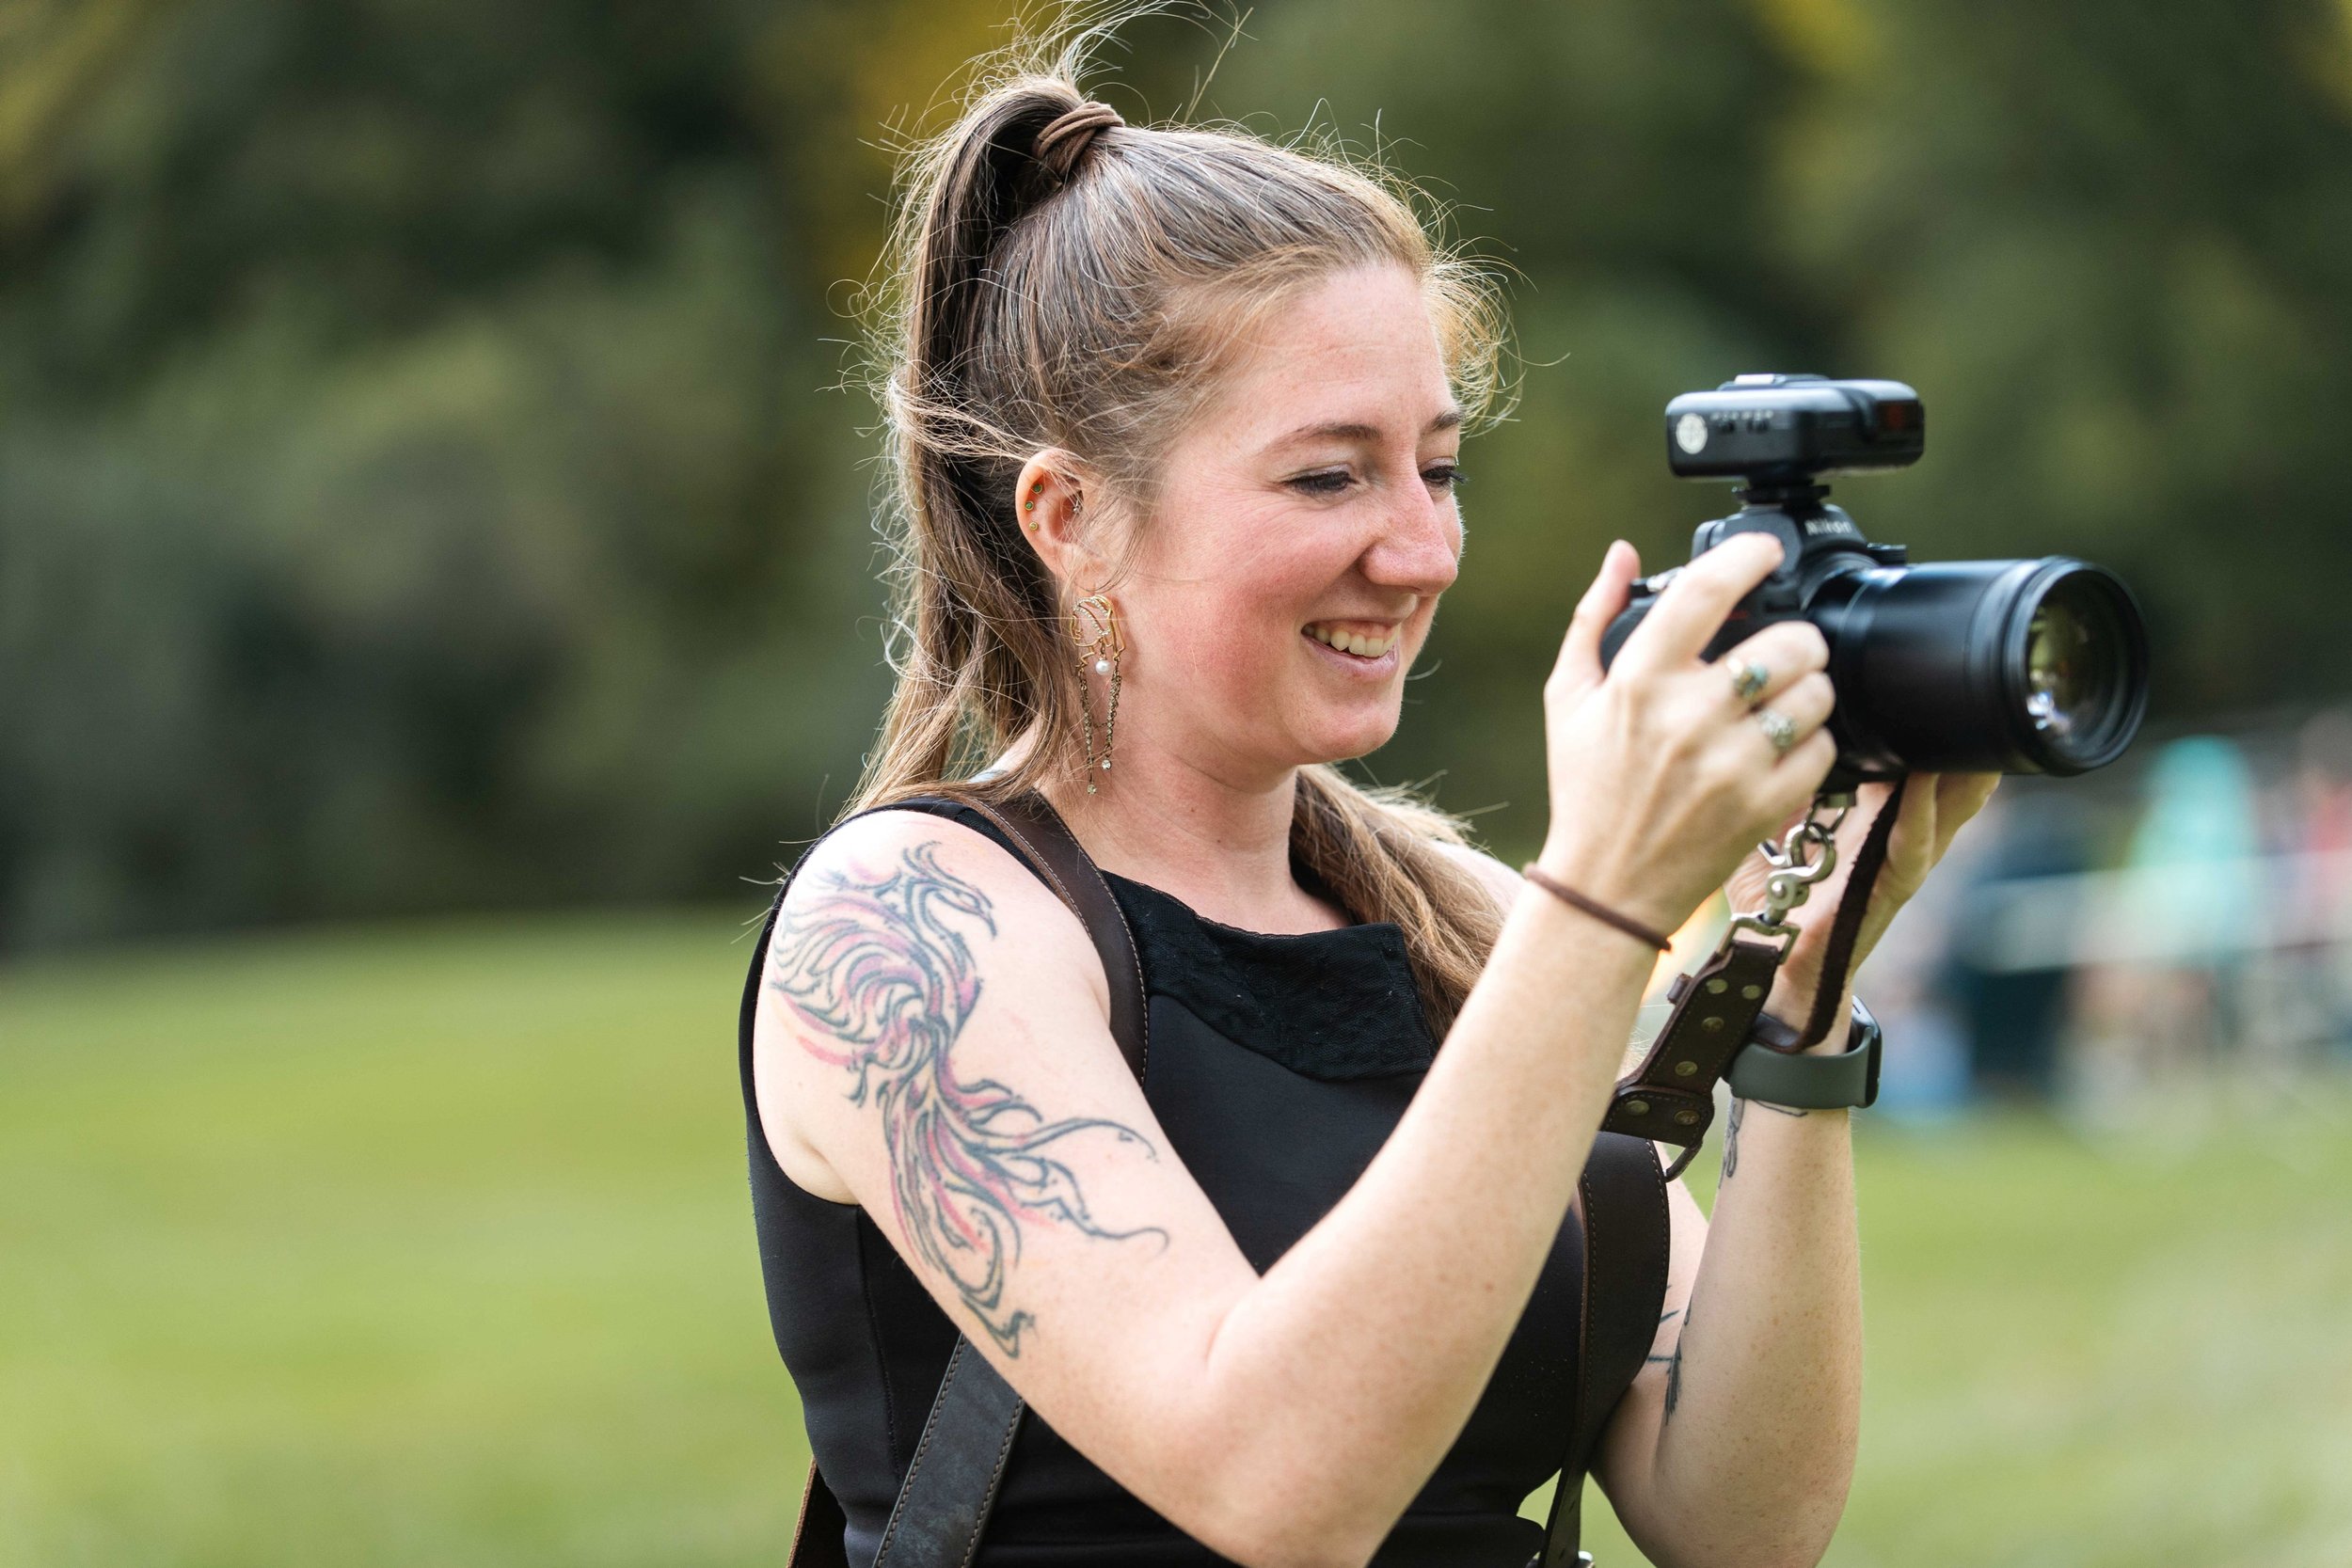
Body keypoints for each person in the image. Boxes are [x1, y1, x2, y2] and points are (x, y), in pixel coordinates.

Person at [741, 20, 2000, 1568]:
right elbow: (1279, 1491)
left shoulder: (1449, 916)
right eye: (1330, 476)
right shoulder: (915, 925)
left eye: (1439, 467)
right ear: (1068, 517)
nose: (1421, 552)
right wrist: (1601, 904)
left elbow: (1738, 1524)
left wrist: (1796, 1002)